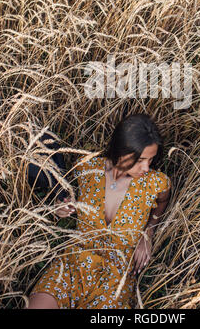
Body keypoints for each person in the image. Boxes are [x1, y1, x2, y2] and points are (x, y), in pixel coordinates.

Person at [25, 113, 171, 309]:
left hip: (116, 278)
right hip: (74, 263)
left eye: (150, 160)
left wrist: (148, 232)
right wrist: (60, 207)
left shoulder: (156, 182)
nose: (146, 167)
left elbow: (162, 202)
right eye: (140, 160)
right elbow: (63, 191)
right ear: (121, 150)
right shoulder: (86, 169)